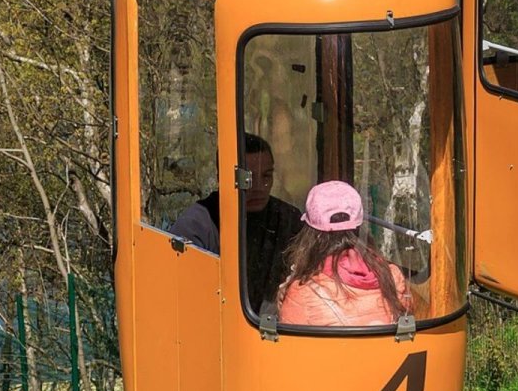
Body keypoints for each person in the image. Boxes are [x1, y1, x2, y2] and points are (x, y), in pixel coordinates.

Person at [171, 133, 301, 311]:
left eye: (266, 176)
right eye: (247, 179)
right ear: (222, 177)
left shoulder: (288, 219)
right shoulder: (196, 226)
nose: (258, 187)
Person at [277, 180, 412, 327]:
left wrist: (284, 299)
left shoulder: (302, 292)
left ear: (310, 234)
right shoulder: (392, 276)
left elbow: (289, 337)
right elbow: (406, 322)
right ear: (360, 226)